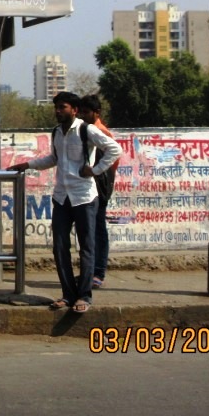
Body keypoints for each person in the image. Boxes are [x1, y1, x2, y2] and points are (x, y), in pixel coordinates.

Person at [8, 91, 121, 313]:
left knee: (87, 247)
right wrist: (28, 165)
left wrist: (95, 170)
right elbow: (54, 159)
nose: (58, 111)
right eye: (57, 107)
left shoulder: (86, 129)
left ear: (74, 110)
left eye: (63, 107)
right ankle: (68, 294)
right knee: (60, 247)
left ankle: (84, 296)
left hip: (84, 196)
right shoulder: (56, 133)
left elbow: (114, 149)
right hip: (62, 196)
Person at [78, 94, 120, 288]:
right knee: (90, 229)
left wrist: (94, 172)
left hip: (100, 185)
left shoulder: (99, 132)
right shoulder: (87, 130)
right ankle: (91, 271)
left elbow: (113, 158)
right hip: (93, 184)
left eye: (87, 112)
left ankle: (98, 273)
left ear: (96, 113)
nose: (83, 115)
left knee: (98, 230)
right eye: (82, 112)